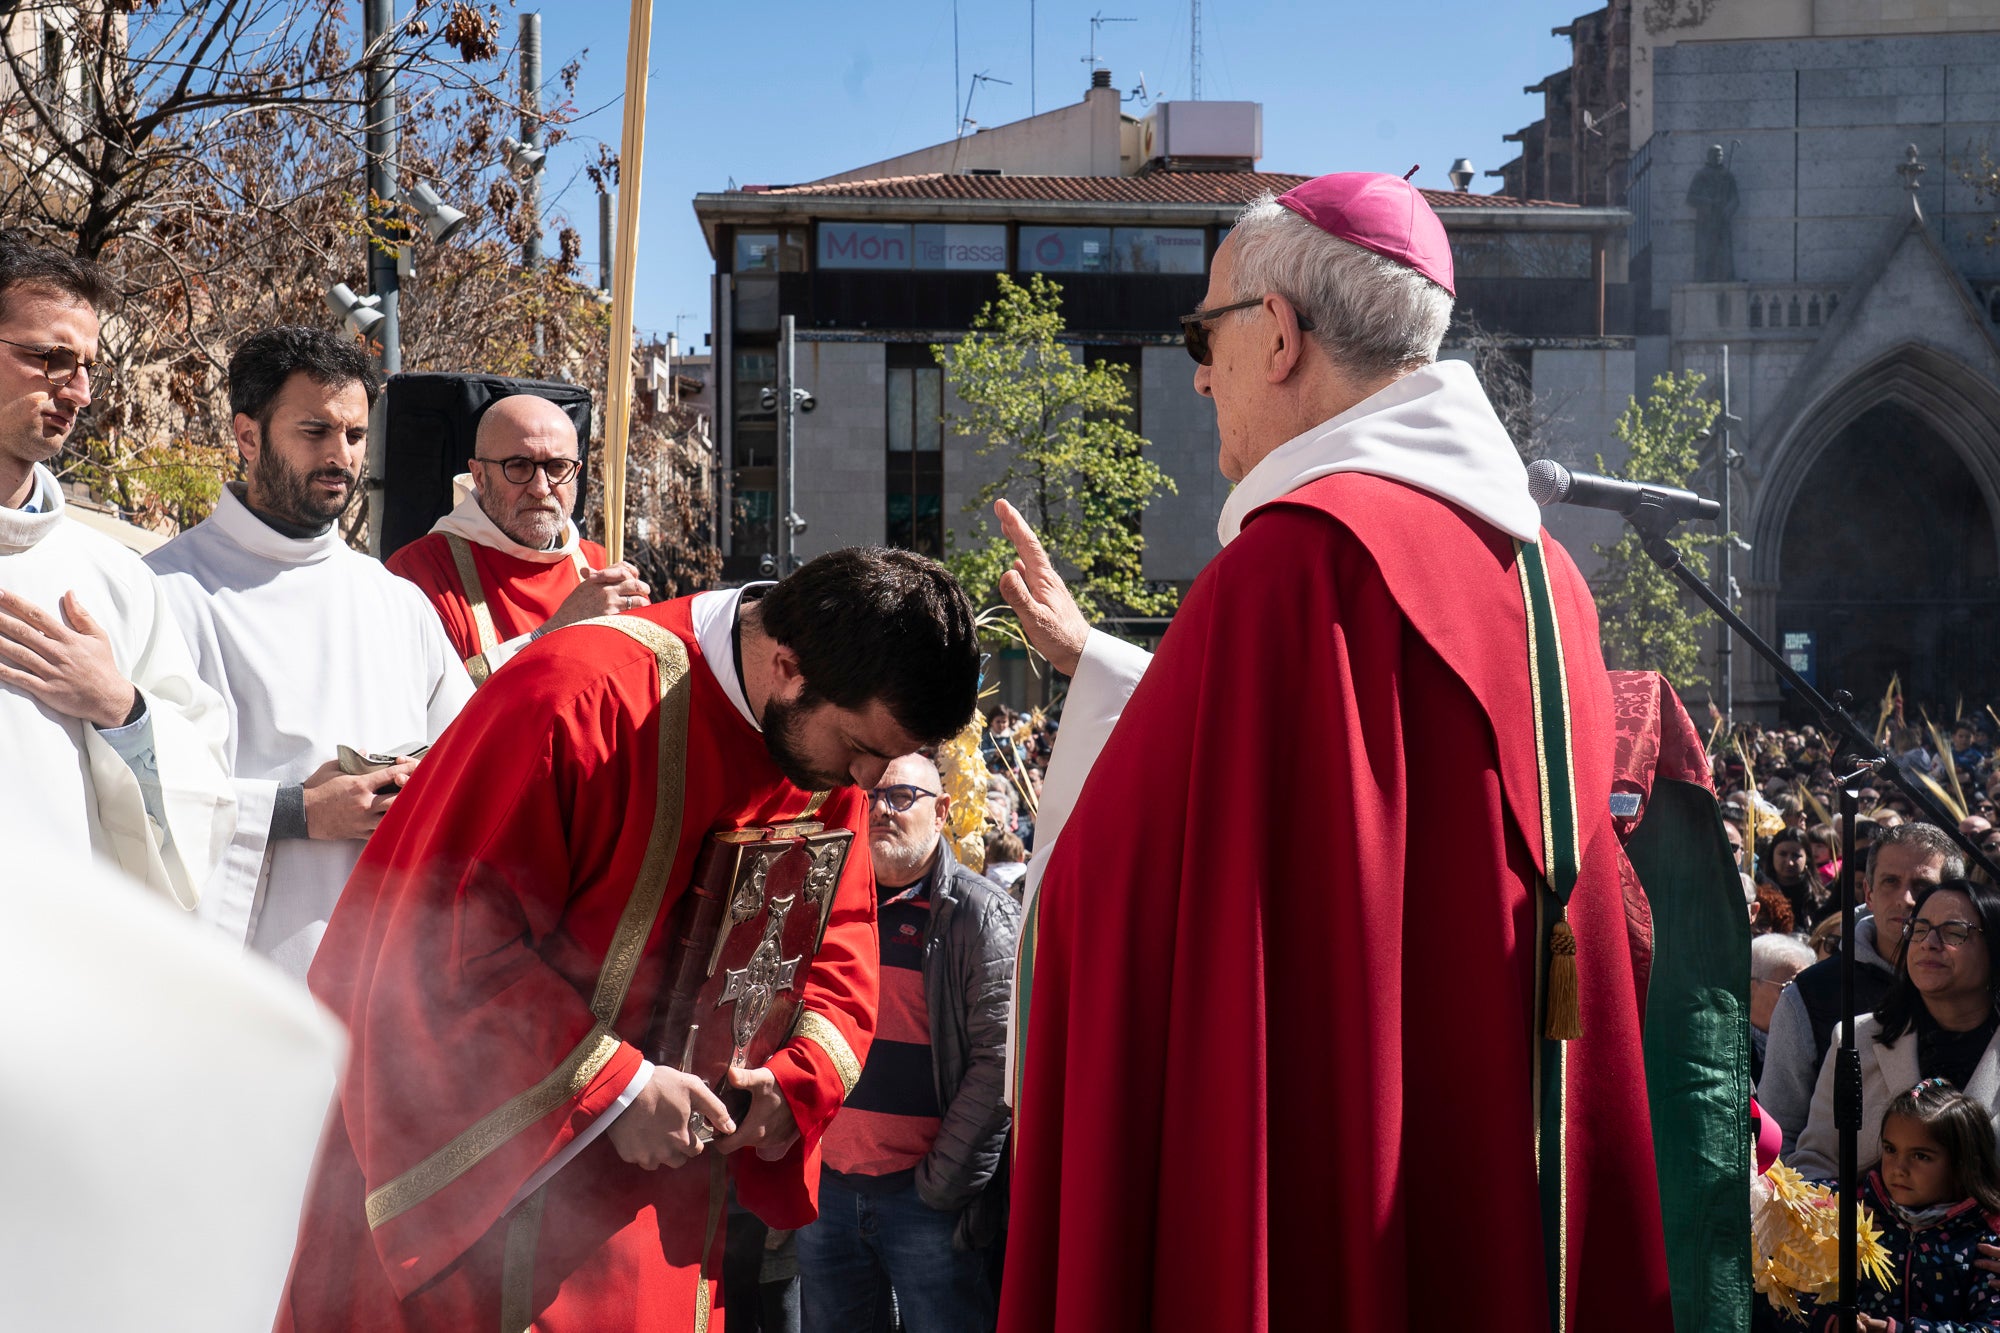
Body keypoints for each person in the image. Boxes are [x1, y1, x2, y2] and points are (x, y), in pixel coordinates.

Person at [995, 174, 1671, 1330]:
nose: (1198, 375)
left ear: (1276, 334)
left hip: (1335, 1173)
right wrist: (1103, 665)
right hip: (1505, 1166)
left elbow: (1119, 895)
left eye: (1204, 334)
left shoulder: (1287, 565)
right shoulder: (1549, 581)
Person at [277, 547, 981, 1332]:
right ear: (788, 665)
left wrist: (791, 1082)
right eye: (859, 748)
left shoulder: (828, 759)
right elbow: (423, 940)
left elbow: (841, 939)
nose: (863, 782)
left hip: (673, 1208)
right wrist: (612, 1087)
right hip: (496, 1198)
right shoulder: (580, 695)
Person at [145, 327, 472, 976]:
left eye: (353, 435)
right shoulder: (163, 591)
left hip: (387, 965)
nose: (341, 455)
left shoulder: (396, 602)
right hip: (241, 973)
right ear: (248, 436)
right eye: (315, 431)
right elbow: (134, 792)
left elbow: (467, 763)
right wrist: (295, 812)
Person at [0, 235, 234, 902]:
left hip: (59, 969)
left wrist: (118, 706)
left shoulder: (116, 581)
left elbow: (205, 802)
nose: (78, 390)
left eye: (86, 366)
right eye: (49, 358)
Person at [798, 752, 1018, 1333]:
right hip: (828, 1197)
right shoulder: (828, 903)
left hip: (924, 1205)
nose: (882, 811)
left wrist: (940, 1186)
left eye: (901, 798)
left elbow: (999, 1066)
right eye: (872, 798)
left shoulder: (980, 916)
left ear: (942, 811)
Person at [385, 393, 649, 684]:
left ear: (576, 474)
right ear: (480, 475)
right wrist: (553, 634)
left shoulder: (600, 565)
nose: (540, 487)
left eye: (558, 467)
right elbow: (428, 703)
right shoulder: (419, 574)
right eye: (519, 466)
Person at [1760, 823, 1960, 1154]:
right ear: (1867, 893)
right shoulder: (1812, 994)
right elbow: (1780, 1134)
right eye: (1890, 882)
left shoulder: (1978, 986)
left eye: (1923, 886)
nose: (1905, 899)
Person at [1793, 880, 2000, 1179]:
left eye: (1954, 932)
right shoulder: (1855, 1039)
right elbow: (1817, 1161)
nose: (1929, 942)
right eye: (1919, 929)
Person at [1808, 1080, 2000, 1331]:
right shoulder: (1849, 1208)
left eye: (1921, 1156)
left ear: (1962, 1163)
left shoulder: (1985, 1239)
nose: (1899, 1168)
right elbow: (1785, 1290)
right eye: (1890, 1149)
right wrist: (1830, 1322)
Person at [1751, 934, 1815, 1086]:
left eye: (1807, 990)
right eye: (1789, 988)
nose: (1799, 999)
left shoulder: (1813, 1042)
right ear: (1751, 989)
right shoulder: (1726, 1048)